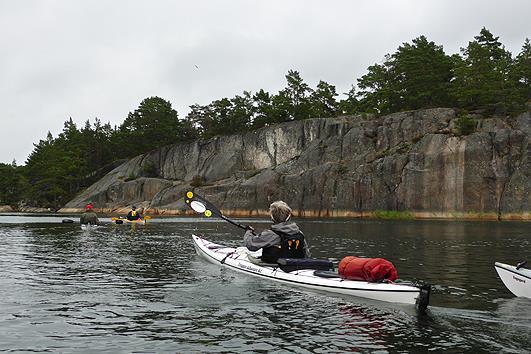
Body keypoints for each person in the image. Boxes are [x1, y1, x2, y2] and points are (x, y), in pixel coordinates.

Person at [243, 200, 310, 263]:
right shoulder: (299, 233)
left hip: (275, 265)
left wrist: (248, 232)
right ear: (289, 216)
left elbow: (251, 245)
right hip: (295, 264)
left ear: (272, 217)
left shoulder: (271, 234)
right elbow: (306, 254)